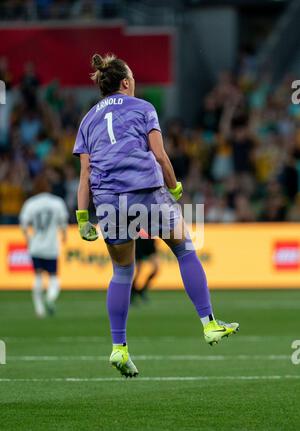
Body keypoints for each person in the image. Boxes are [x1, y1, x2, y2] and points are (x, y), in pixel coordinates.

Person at [74, 53, 239, 378]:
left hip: (108, 200)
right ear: (125, 83)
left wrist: (83, 217)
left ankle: (118, 348)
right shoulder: (143, 108)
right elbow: (160, 155)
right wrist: (175, 188)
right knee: (183, 248)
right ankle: (209, 324)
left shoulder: (87, 120)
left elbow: (84, 175)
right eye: (132, 78)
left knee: (122, 272)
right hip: (146, 190)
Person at [19, 175, 68, 317]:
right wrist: (64, 235)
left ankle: (39, 309)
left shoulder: (31, 203)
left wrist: (28, 239)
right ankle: (50, 298)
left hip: (36, 246)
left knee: (38, 276)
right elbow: (63, 223)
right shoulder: (57, 202)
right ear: (49, 187)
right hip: (51, 246)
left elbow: (23, 225)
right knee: (53, 278)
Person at [131, 232, 159, 303]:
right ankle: (132, 292)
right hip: (139, 242)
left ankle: (142, 290)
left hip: (149, 242)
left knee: (156, 269)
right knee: (138, 271)